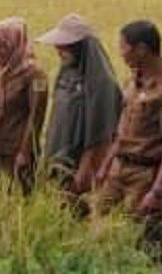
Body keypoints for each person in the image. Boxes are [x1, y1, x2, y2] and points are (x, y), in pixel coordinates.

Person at [93, 20, 162, 256]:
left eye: (123, 47)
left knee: (145, 242)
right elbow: (121, 130)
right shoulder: (132, 82)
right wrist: (106, 165)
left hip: (146, 175)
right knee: (97, 226)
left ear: (142, 49)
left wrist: (159, 191)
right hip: (118, 169)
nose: (120, 53)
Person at [36, 13, 122, 207]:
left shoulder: (102, 84)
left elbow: (101, 137)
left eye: (64, 45)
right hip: (59, 160)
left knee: (77, 209)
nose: (58, 50)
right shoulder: (66, 73)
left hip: (81, 165)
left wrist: (84, 172)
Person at [0, 17, 47, 194]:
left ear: (16, 46)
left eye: (3, 46)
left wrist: (25, 151)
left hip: (13, 148)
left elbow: (36, 116)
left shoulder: (33, 75)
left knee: (17, 195)